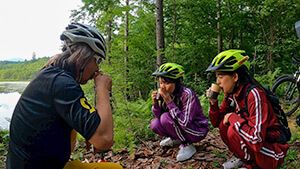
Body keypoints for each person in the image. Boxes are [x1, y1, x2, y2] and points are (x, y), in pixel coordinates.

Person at [6, 23, 122, 169]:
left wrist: (88, 126)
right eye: (97, 60)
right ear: (84, 57)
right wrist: (102, 88)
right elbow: (104, 140)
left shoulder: (51, 75)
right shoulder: (63, 84)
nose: (98, 68)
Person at [205, 49, 289, 169]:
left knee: (233, 127)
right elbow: (216, 122)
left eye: (221, 76)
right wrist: (213, 103)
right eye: (217, 77)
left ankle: (250, 165)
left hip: (273, 151)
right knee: (224, 126)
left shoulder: (254, 95)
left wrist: (233, 117)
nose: (218, 82)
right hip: (258, 146)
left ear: (235, 77)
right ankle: (246, 161)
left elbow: (256, 141)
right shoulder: (232, 94)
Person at [150, 63, 209, 161]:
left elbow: (185, 123)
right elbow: (158, 117)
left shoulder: (187, 94)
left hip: (197, 130)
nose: (162, 87)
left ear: (176, 83)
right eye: (161, 83)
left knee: (165, 117)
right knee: (155, 124)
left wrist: (169, 101)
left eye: (166, 83)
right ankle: (176, 139)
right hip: (182, 128)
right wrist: (156, 103)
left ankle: (187, 146)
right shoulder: (169, 93)